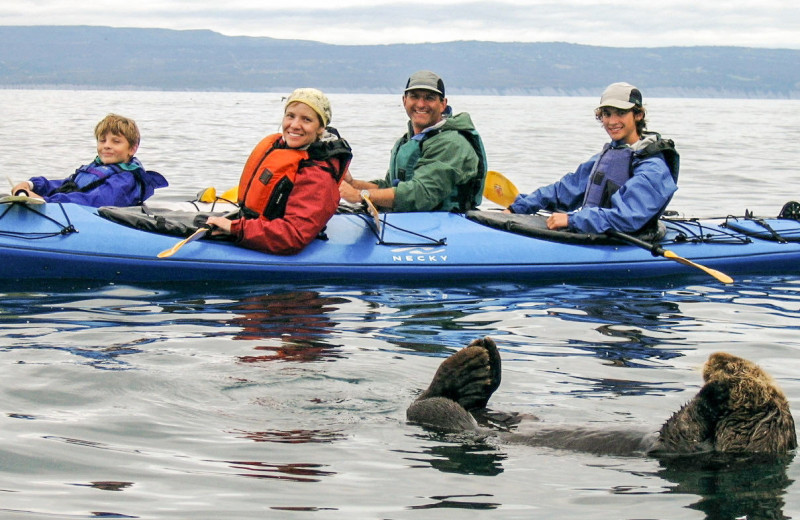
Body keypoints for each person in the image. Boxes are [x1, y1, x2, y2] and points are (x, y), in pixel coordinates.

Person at [506, 82, 679, 234]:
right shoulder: (609, 156)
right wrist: (518, 208)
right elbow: (564, 190)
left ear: (638, 115)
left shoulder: (653, 167)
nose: (612, 121)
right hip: (596, 231)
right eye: (607, 114)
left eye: (620, 113)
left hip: (625, 240)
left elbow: (628, 217)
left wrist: (573, 220)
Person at [205, 88, 352, 255]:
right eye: (290, 116)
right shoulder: (283, 148)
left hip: (280, 237)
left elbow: (294, 235)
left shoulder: (317, 175)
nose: (295, 125)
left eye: (306, 119)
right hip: (257, 224)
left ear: (321, 128)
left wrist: (235, 228)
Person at [339, 70, 487, 212]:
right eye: (414, 96)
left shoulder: (453, 144)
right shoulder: (406, 141)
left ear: (443, 104)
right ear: (404, 101)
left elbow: (422, 194)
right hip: (415, 223)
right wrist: (353, 184)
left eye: (429, 98)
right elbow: (389, 186)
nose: (421, 104)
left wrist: (361, 195)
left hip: (446, 225)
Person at [12, 113, 167, 207]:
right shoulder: (95, 167)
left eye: (116, 141)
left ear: (132, 148)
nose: (107, 146)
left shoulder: (126, 179)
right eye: (102, 140)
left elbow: (93, 200)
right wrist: (32, 185)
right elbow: (66, 185)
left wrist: (45, 200)